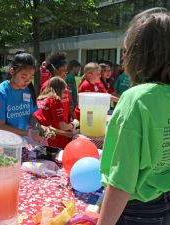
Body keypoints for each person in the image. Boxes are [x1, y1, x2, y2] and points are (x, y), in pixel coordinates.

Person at [98, 8, 170, 225]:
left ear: (138, 54)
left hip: (134, 210)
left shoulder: (136, 99)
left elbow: (122, 181)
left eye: (127, 50)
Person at [0, 51, 48, 142]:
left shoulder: (28, 90)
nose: (27, 81)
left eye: (31, 77)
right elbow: (0, 126)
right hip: (1, 142)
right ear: (12, 71)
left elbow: (29, 116)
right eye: (24, 77)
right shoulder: (0, 93)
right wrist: (28, 133)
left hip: (20, 140)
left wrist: (39, 127)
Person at [34, 77, 75, 149]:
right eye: (63, 91)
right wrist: (74, 124)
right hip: (49, 139)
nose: (63, 94)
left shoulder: (39, 99)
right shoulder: (55, 100)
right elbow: (62, 126)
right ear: (60, 90)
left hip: (35, 137)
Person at [41, 52, 72, 123]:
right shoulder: (47, 86)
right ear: (55, 69)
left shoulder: (63, 84)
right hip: (54, 129)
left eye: (66, 68)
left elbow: (68, 104)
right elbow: (44, 110)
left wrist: (73, 118)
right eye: (63, 68)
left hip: (65, 127)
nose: (66, 71)